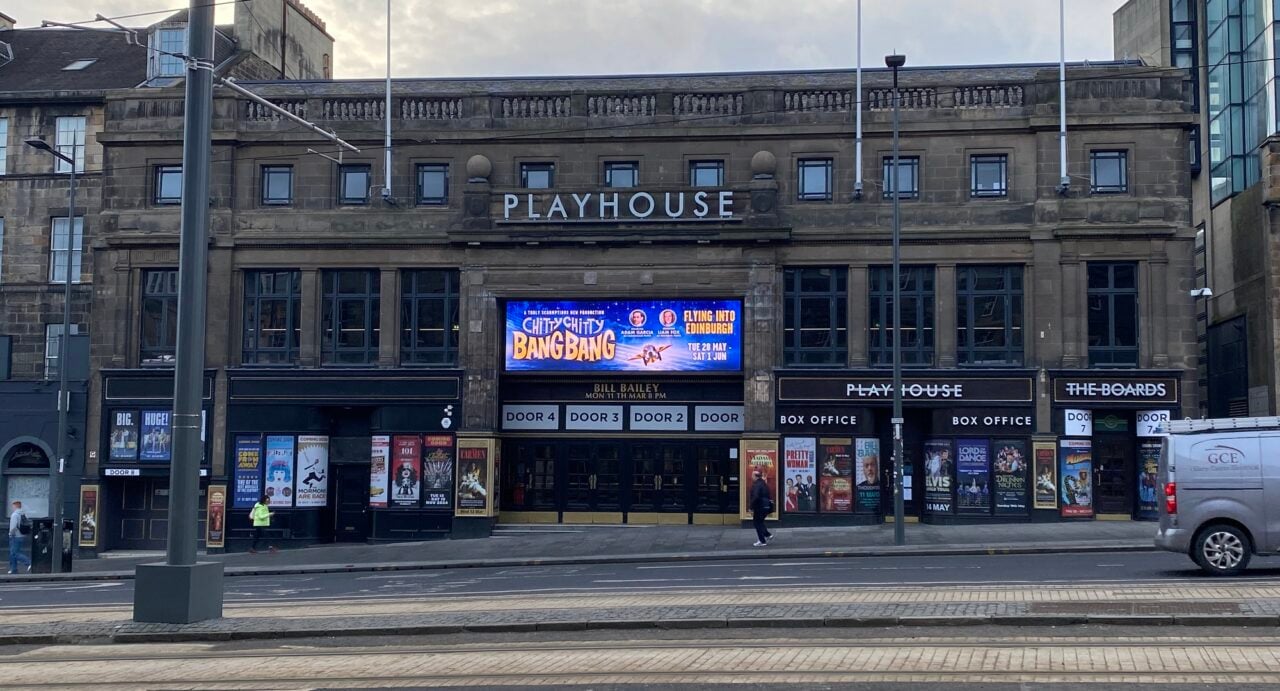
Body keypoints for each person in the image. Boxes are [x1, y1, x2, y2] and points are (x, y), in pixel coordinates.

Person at [748, 470, 773, 547]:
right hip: (765, 506)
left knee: (757, 523)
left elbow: (755, 496)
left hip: (760, 506)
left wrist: (751, 507)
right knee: (760, 522)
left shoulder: (757, 485)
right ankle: (767, 535)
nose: (751, 476)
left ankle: (762, 540)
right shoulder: (763, 483)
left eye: (752, 475)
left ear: (755, 476)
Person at [8, 500, 31, 574]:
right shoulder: (23, 514)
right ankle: (13, 569)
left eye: (12, 505)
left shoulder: (14, 515)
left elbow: (13, 527)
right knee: (13, 553)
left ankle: (29, 562)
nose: (12, 507)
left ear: (15, 506)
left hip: (15, 536)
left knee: (15, 553)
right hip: (21, 535)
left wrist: (10, 534)